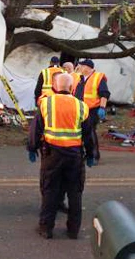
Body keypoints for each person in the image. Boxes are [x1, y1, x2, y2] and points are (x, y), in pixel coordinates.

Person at [27, 73, 92, 240]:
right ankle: (73, 230)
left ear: (55, 87)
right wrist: (91, 154)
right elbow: (88, 134)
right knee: (75, 192)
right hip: (74, 155)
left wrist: (32, 148)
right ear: (71, 88)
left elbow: (36, 129)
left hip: (52, 154)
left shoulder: (45, 104)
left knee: (50, 191)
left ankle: (46, 228)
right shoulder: (81, 106)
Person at [73, 59, 109, 164]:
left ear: (88, 68)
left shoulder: (98, 77)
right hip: (79, 109)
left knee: (90, 132)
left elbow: (104, 94)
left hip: (92, 110)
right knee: (80, 133)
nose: (80, 68)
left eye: (82, 66)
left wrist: (102, 108)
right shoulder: (78, 78)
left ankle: (94, 156)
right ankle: (84, 154)